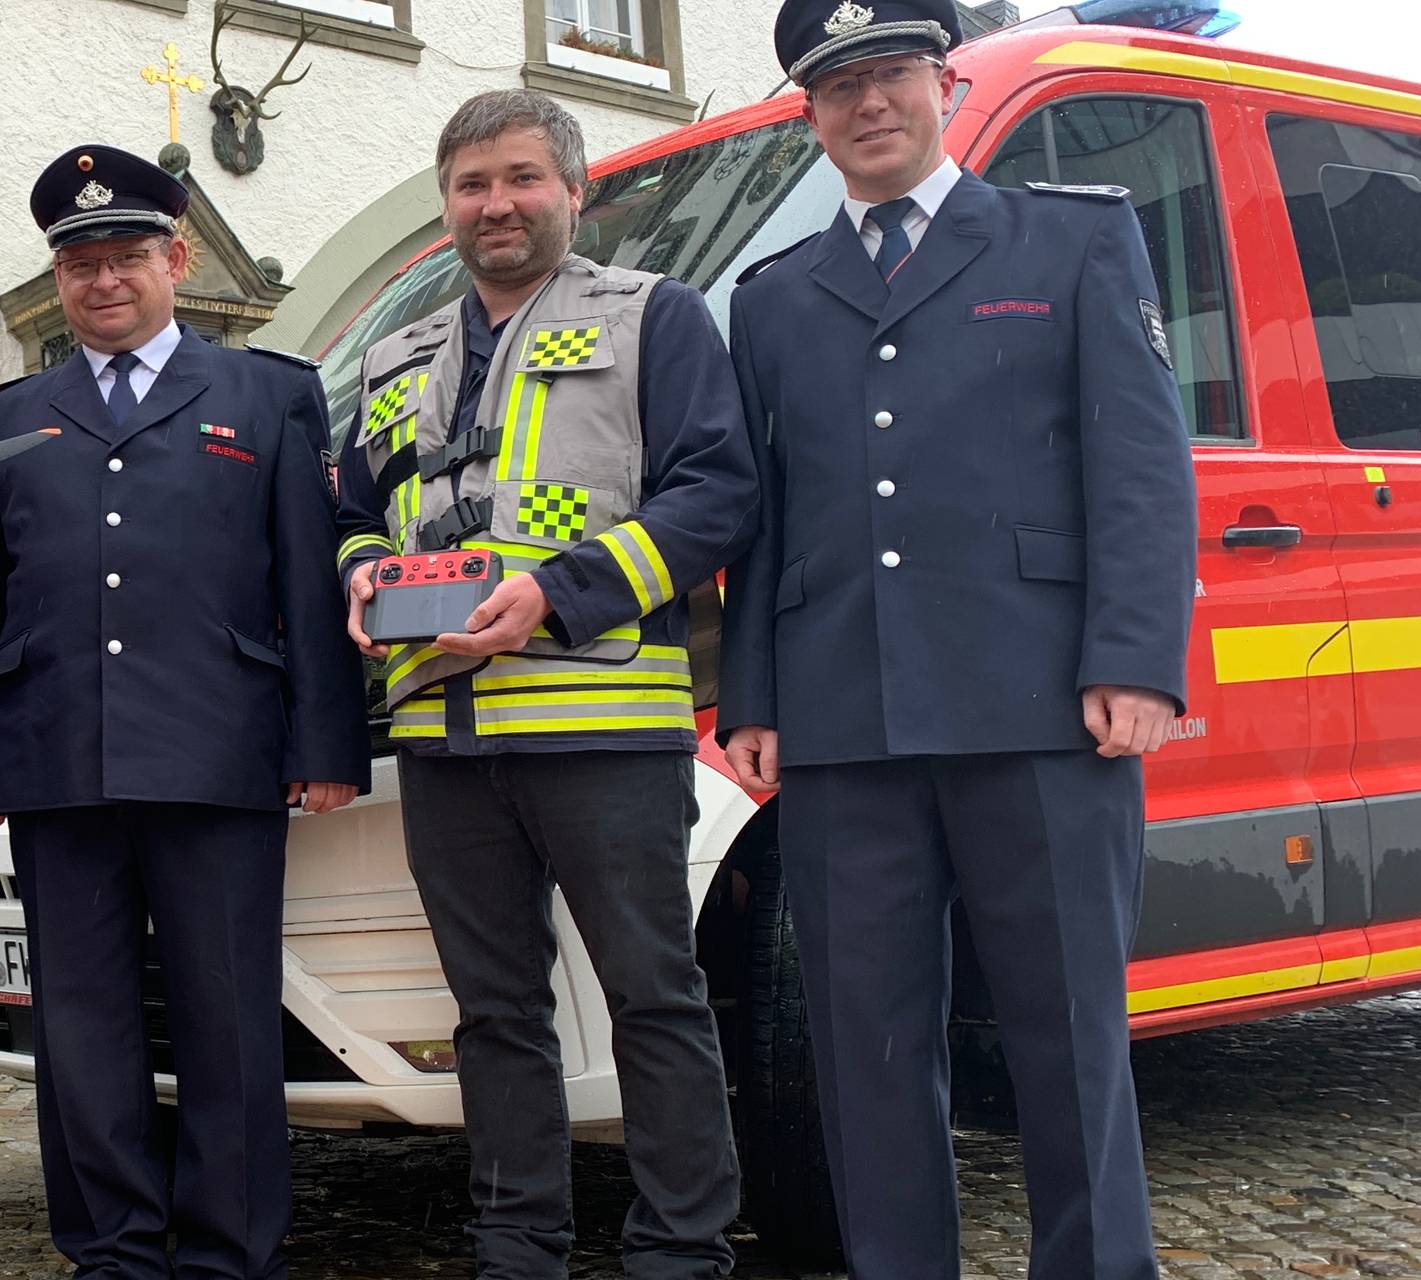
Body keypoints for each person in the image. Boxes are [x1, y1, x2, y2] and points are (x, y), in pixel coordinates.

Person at [717, 3, 1196, 1277]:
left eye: (887, 76)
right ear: (806, 115)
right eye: (836, 87)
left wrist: (1136, 659)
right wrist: (750, 696)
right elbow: (764, 518)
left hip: (1039, 701)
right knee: (863, 1043)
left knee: (1065, 1035)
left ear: (937, 82)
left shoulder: (1070, 237)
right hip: (839, 718)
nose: (866, 105)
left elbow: (1141, 469)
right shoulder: (769, 302)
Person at [331, 88, 756, 1278]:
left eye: (521, 178)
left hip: (601, 726)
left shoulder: (652, 319)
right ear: (446, 205)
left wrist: (556, 595)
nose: (495, 204)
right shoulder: (396, 352)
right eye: (471, 185)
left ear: (575, 191)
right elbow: (358, 510)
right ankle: (517, 1244)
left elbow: (713, 492)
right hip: (441, 738)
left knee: (651, 997)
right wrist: (362, 573)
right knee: (491, 1009)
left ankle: (679, 1247)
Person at [0, 143, 369, 1280]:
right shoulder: (3, 413)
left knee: (226, 1018)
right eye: (79, 261)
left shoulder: (267, 396)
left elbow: (302, 580)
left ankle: (229, 1248)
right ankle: (112, 1245)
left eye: (126, 254)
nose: (102, 280)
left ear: (172, 257)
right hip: (53, 757)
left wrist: (323, 744)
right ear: (56, 278)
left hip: (220, 750)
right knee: (81, 1027)